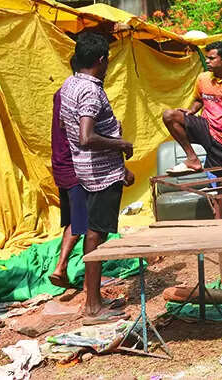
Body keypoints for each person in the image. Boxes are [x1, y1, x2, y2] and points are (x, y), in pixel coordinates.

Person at [59, 32, 135, 324]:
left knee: (92, 231)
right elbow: (86, 136)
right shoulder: (90, 91)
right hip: (101, 175)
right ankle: (93, 306)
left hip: (85, 170)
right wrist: (121, 144)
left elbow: (70, 129)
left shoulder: (70, 84)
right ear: (101, 60)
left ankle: (95, 299)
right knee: (96, 235)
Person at [162, 40, 222, 174]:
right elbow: (200, 99)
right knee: (169, 116)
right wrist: (192, 110)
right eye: (207, 58)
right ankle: (192, 159)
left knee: (221, 180)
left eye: (211, 58)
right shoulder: (203, 78)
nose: (207, 61)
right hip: (206, 127)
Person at [48, 57, 89, 290]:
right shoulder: (77, 94)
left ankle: (61, 269)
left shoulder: (61, 92)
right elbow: (82, 133)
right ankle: (62, 267)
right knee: (83, 222)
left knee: (75, 219)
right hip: (75, 166)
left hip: (61, 163)